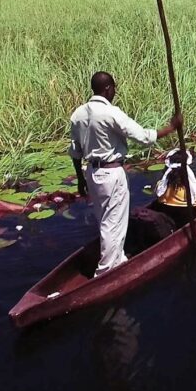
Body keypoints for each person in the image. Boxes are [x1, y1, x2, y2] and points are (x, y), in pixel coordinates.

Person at [69, 71, 180, 277]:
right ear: (108, 88)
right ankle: (106, 272)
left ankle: (118, 258)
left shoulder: (78, 114)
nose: (114, 93)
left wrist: (80, 179)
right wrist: (171, 128)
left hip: (92, 173)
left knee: (104, 220)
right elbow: (143, 137)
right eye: (114, 89)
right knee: (113, 223)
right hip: (111, 174)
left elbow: (75, 152)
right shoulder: (111, 113)